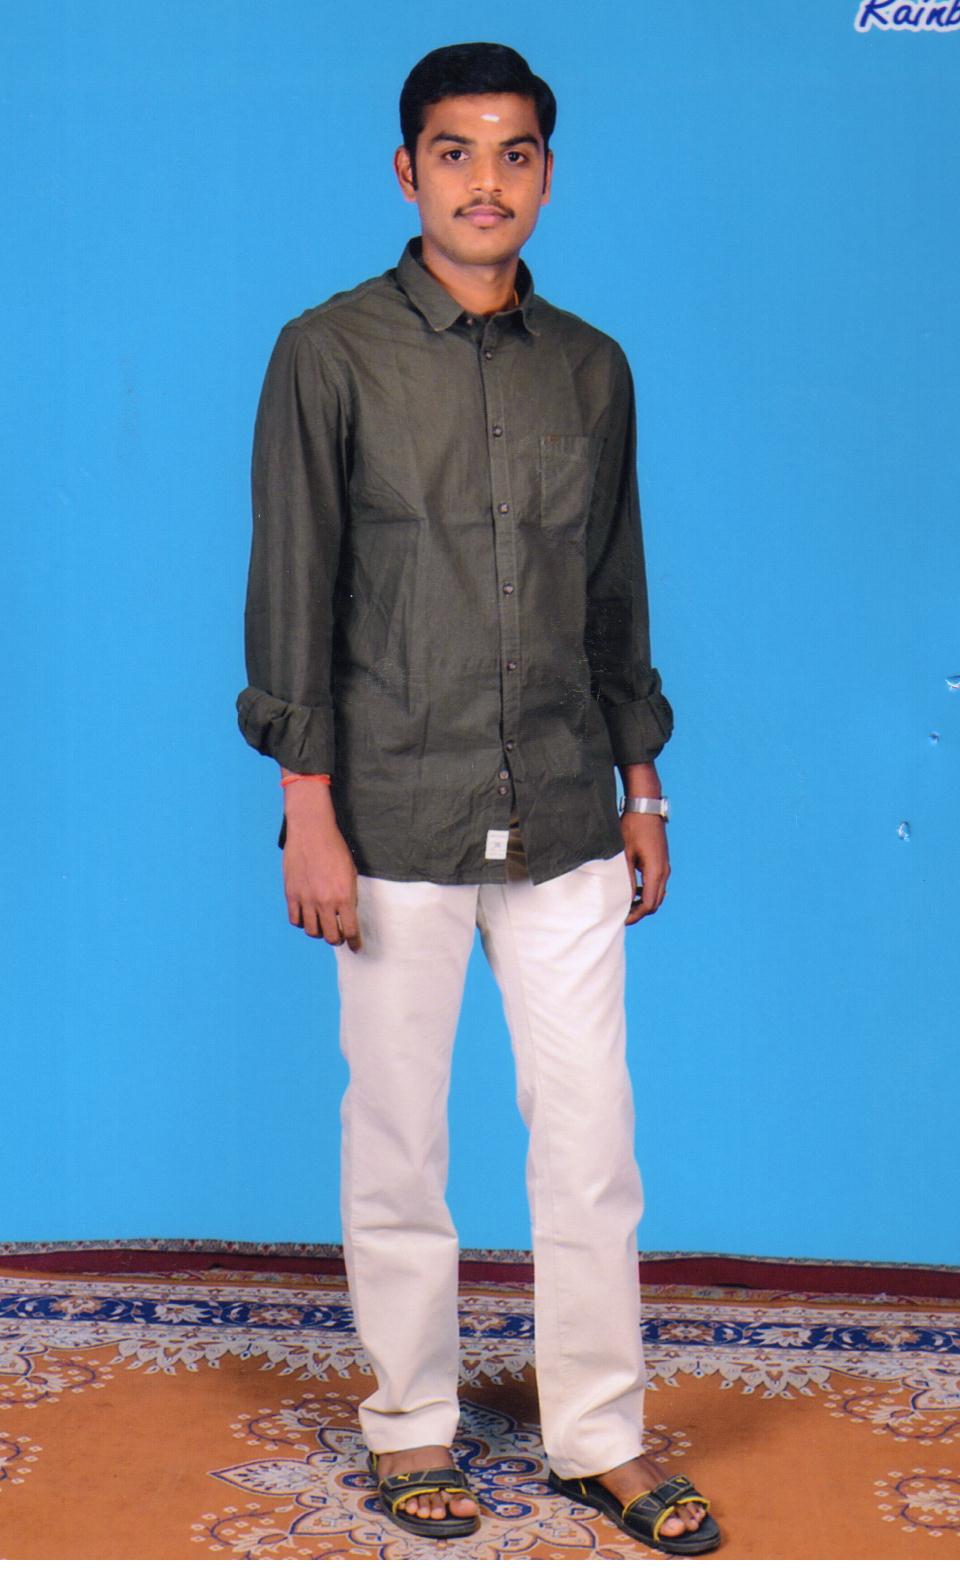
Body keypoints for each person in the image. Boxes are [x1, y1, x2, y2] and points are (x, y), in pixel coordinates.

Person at [236, 41, 719, 1556]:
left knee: (591, 1137)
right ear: (408, 171)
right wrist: (310, 808)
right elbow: (295, 591)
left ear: (548, 176)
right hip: (392, 811)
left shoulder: (593, 368)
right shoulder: (328, 353)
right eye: (456, 152)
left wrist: (644, 785)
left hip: (569, 804)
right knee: (399, 1136)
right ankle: (412, 1424)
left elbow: (615, 589)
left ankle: (599, 1437)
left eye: (516, 153)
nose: (486, 182)